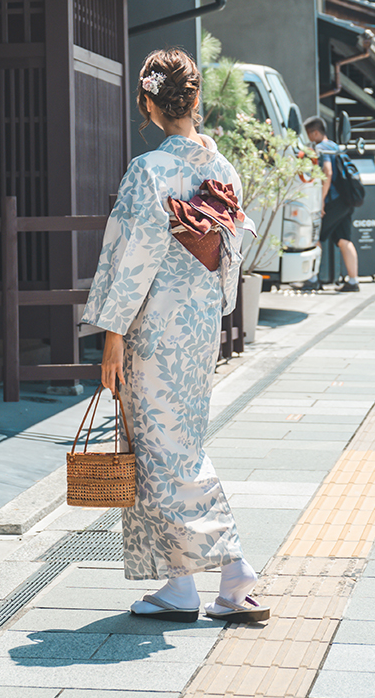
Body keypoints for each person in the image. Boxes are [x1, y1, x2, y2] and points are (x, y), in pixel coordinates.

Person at [81, 47, 268, 625]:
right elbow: (231, 254)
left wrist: (112, 333)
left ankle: (234, 572)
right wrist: (213, 305)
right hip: (198, 327)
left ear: (148, 104)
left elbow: (131, 256)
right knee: (171, 445)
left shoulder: (151, 171)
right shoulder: (225, 171)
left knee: (168, 452)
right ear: (195, 101)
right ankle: (179, 583)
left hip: (152, 327)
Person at [303, 116, 359, 294]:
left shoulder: (321, 148)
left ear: (316, 133)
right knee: (344, 240)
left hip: (333, 201)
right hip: (346, 200)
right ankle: (353, 281)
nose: (309, 139)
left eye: (309, 135)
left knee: (315, 237)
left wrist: (321, 201)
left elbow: (327, 172)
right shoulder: (335, 146)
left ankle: (312, 279)